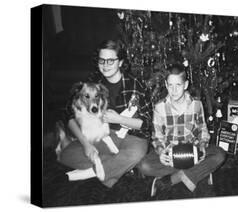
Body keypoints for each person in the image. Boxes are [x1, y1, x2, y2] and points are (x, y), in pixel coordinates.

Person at [59, 39, 152, 188]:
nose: (105, 65)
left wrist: (119, 118)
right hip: (103, 135)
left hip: (133, 137)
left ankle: (91, 171)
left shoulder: (135, 84)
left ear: (120, 62)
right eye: (102, 60)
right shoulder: (92, 82)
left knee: (136, 154)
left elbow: (147, 123)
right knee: (66, 155)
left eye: (110, 60)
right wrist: (85, 145)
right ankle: (115, 167)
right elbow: (68, 114)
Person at [137, 64, 226, 196]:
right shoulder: (159, 107)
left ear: (185, 85)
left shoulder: (196, 104)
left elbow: (202, 129)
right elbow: (157, 136)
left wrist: (202, 146)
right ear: (166, 85)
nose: (174, 90)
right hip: (171, 153)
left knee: (220, 155)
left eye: (178, 85)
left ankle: (174, 178)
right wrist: (161, 152)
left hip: (193, 152)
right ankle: (197, 172)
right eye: (170, 85)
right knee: (144, 166)